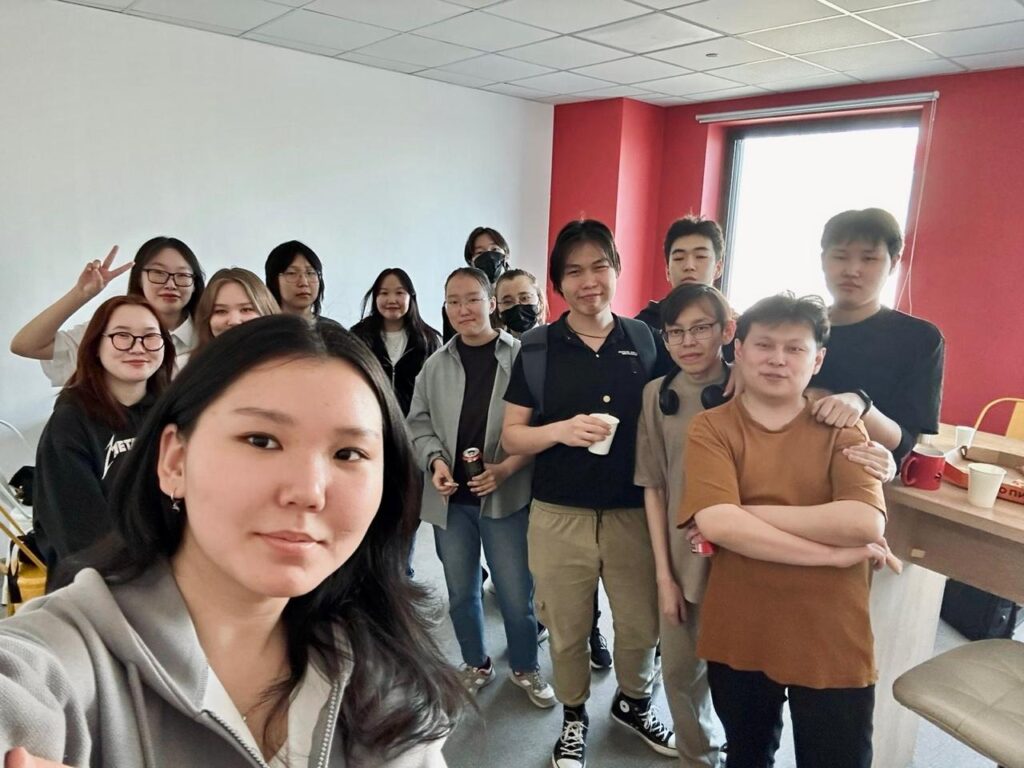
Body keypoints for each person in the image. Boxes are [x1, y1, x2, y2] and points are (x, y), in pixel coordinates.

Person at [0, 314, 464, 767]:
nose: (308, 491)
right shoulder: (60, 657)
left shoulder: (382, 666)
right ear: (174, 461)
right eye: (261, 440)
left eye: (349, 453)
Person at [681, 293, 894, 768]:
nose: (778, 359)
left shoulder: (843, 427)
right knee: (747, 754)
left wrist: (740, 512)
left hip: (831, 629)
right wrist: (832, 553)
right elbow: (718, 523)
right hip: (741, 625)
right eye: (764, 345)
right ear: (739, 351)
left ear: (817, 360)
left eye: (795, 348)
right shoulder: (711, 428)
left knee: (837, 758)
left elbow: (864, 521)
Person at [503, 219, 676, 768]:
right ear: (558, 283)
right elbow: (512, 436)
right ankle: (573, 718)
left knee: (641, 624)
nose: (588, 281)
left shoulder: (645, 340)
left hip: (634, 511)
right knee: (567, 629)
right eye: (574, 271)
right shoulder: (537, 347)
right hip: (559, 514)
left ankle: (633, 702)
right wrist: (559, 430)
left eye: (599, 266)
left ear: (617, 270)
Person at [407, 267, 554, 708]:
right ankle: (476, 663)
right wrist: (435, 461)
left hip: (505, 497)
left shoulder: (521, 357)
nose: (463, 309)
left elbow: (542, 426)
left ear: (491, 304)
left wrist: (506, 469)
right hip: (451, 501)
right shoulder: (435, 365)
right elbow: (418, 424)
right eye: (453, 301)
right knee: (461, 593)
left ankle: (525, 667)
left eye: (472, 299)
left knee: (516, 593)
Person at [634, 283, 733, 768]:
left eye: (700, 328)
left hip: (741, 560)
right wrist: (663, 576)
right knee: (679, 673)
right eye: (676, 332)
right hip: (680, 558)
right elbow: (653, 486)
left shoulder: (748, 387)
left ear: (726, 331)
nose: (688, 342)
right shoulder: (657, 395)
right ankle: (699, 757)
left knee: (738, 678)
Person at [494, 268, 610, 666]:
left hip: (559, 478)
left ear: (542, 301)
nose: (518, 308)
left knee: (583, 564)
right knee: (537, 566)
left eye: (525, 298)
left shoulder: (562, 346)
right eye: (507, 302)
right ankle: (542, 620)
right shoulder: (497, 350)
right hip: (516, 483)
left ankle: (592, 630)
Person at [31, 295, 174, 586]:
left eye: (150, 337)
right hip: (99, 585)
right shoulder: (70, 422)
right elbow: (80, 535)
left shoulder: (172, 413)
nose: (138, 347)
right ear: (96, 345)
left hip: (170, 576)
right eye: (122, 336)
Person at [807, 208, 945, 465]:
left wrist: (862, 406)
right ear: (823, 260)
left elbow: (905, 443)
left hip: (859, 472)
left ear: (893, 263)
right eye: (840, 256)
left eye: (869, 259)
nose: (852, 270)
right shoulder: (799, 328)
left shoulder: (919, 339)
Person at [10, 237, 205, 385]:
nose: (170, 284)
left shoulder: (209, 334)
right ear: (139, 278)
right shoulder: (107, 332)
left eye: (182, 275)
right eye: (158, 273)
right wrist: (80, 294)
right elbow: (26, 346)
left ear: (195, 283)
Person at [635, 216, 727, 378]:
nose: (689, 266)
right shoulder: (643, 326)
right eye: (679, 258)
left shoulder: (735, 327)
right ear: (667, 271)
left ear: (718, 268)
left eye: (700, 257)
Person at [350, 268, 441, 417]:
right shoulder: (358, 337)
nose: (392, 300)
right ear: (375, 298)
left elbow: (437, 391)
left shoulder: (428, 340)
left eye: (399, 293)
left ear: (411, 297)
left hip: (414, 426)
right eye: (384, 293)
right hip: (369, 421)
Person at [442, 227, 510, 342]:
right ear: (471, 261)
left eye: (494, 249)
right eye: (480, 252)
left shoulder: (517, 293)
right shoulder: (455, 300)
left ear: (506, 255)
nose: (489, 256)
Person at [191, 267, 280, 353]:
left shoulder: (287, 360)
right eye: (221, 311)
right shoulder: (187, 362)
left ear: (268, 312)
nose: (234, 321)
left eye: (246, 309)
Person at [264, 240, 342, 329]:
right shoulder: (262, 330)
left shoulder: (332, 330)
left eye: (310, 273)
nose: (304, 283)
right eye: (291, 273)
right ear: (273, 280)